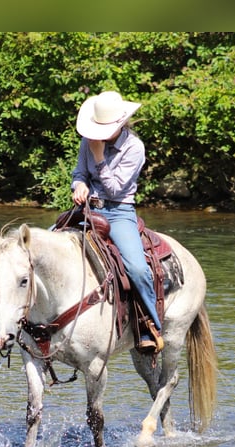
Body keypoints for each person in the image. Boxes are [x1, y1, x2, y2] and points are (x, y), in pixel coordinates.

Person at [70, 90, 164, 353]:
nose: (98, 135)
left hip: (119, 211)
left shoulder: (134, 147)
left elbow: (114, 190)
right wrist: (79, 186)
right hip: (89, 209)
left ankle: (149, 325)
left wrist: (99, 156)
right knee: (42, 245)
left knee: (136, 268)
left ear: (120, 124)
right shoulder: (87, 140)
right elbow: (79, 173)